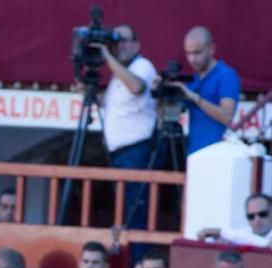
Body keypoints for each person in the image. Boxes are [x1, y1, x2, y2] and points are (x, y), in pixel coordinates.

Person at [91, 23, 157, 229]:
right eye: (114, 42)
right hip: (119, 153)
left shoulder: (142, 65)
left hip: (136, 151)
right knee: (123, 213)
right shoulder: (121, 72)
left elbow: (137, 87)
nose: (118, 46)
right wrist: (89, 91)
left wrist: (108, 59)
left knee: (135, 212)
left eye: (123, 41)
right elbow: (115, 104)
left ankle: (138, 259)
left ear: (136, 45)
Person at [172, 26, 240, 156]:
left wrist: (196, 98)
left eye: (197, 52)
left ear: (211, 49)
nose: (192, 59)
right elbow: (174, 111)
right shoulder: (194, 80)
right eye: (188, 53)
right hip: (194, 153)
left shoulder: (226, 75)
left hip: (217, 154)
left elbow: (227, 117)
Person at [197, 193, 272, 248]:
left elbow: (265, 244)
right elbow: (243, 237)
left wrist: (221, 231)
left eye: (263, 214)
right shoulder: (244, 234)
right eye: (251, 216)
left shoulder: (238, 236)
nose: (257, 220)